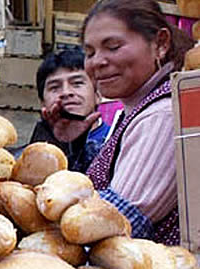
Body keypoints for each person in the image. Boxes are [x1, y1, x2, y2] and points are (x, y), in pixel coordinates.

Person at [77, 0, 194, 244]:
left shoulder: (162, 115)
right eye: (90, 53)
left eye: (113, 47)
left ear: (160, 44)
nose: (98, 61)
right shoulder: (135, 109)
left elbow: (116, 221)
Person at [29, 49, 110, 173]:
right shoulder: (32, 153)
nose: (66, 92)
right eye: (55, 87)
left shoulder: (116, 141)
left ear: (97, 95)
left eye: (77, 83)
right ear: (42, 103)